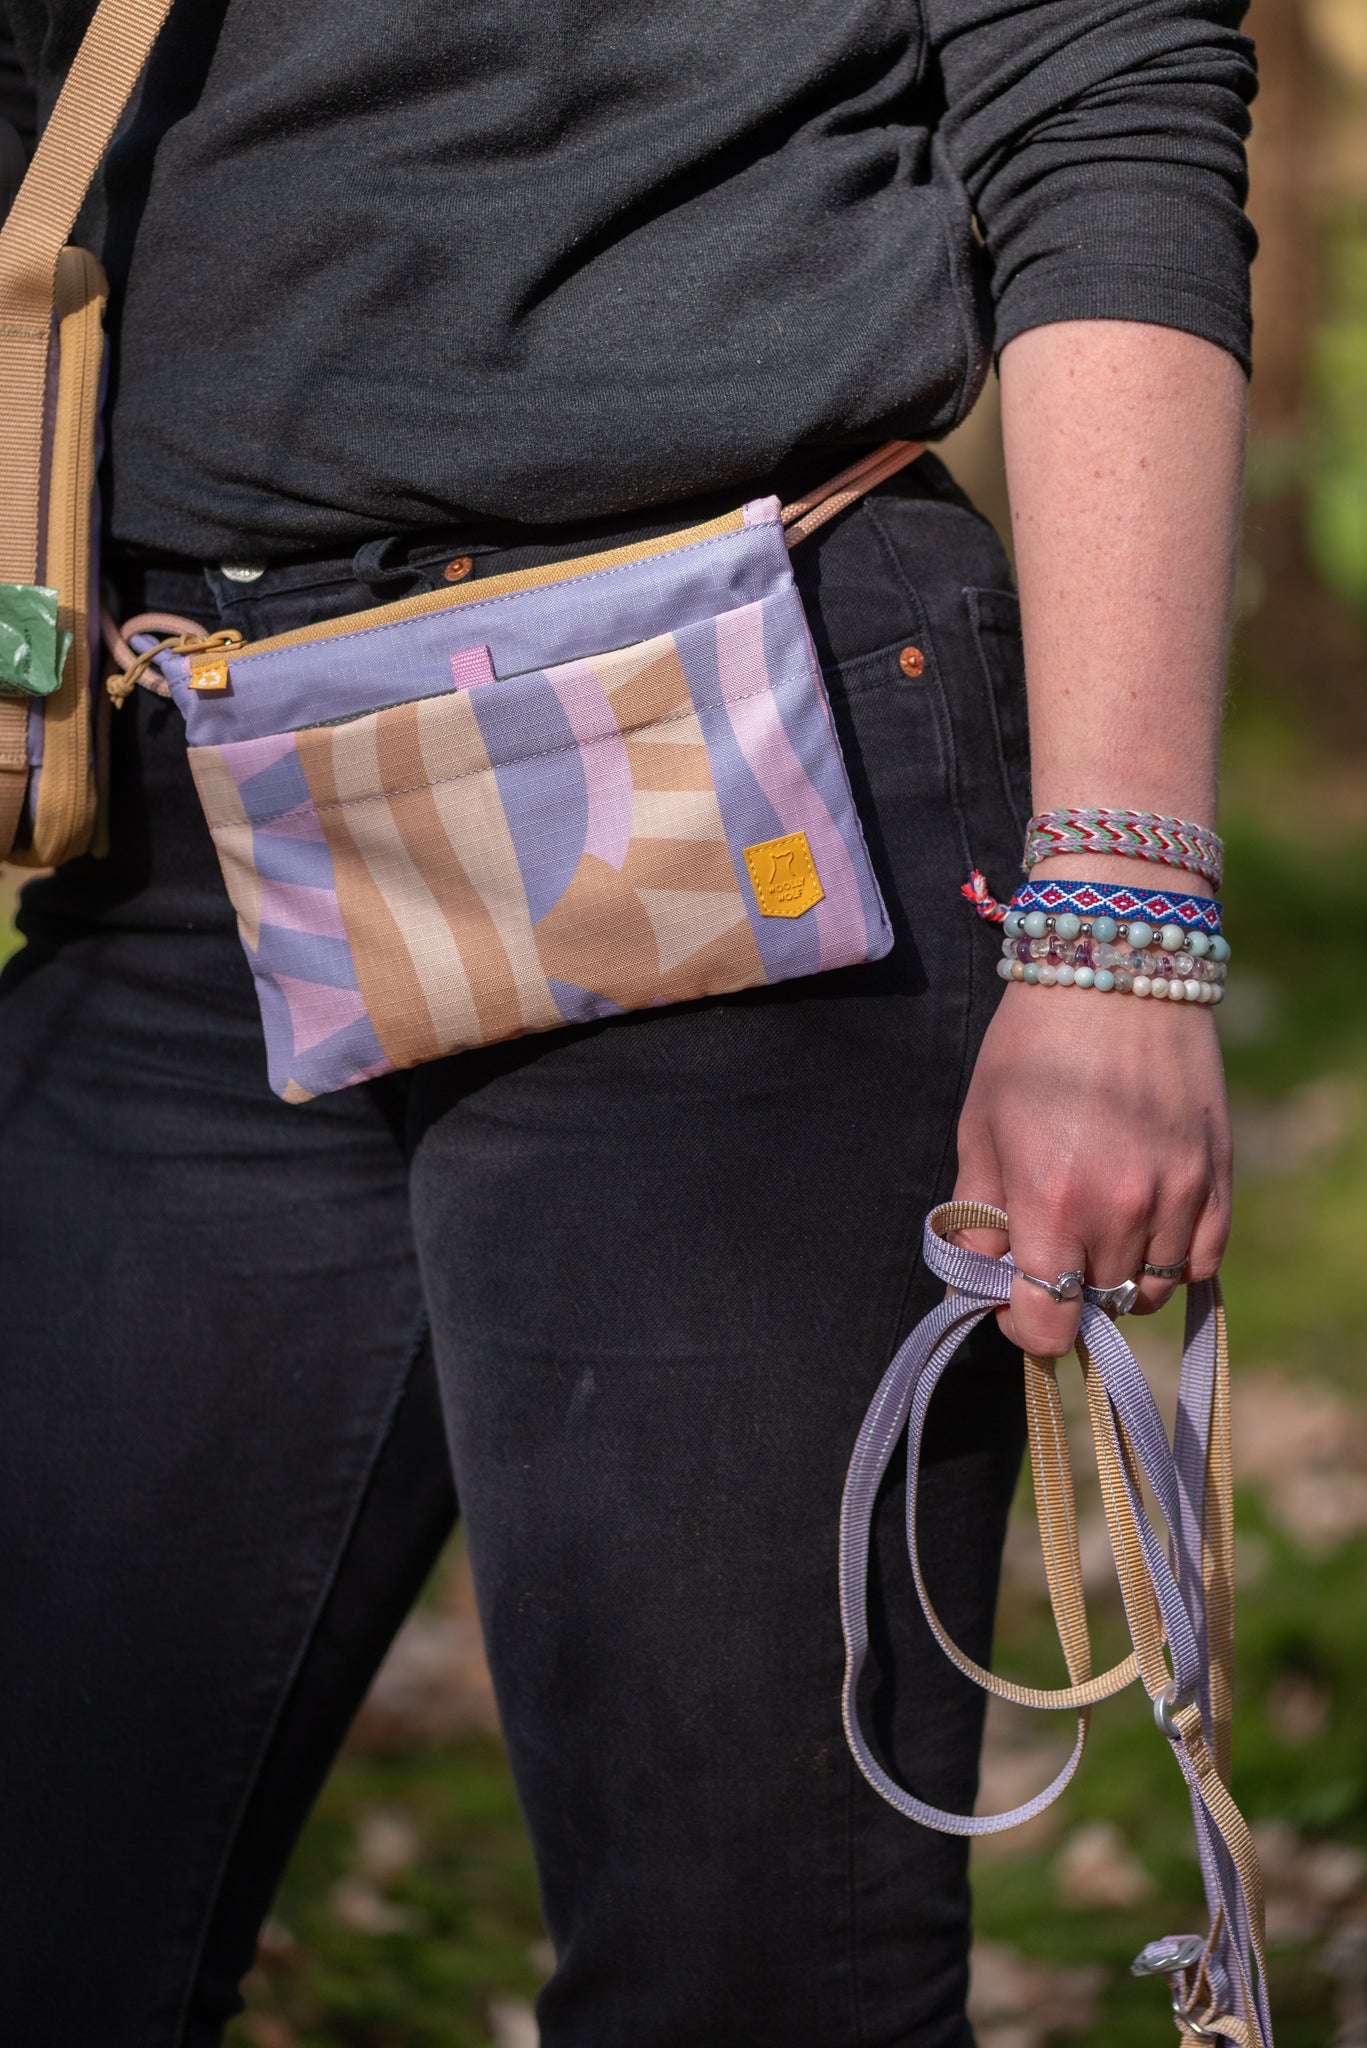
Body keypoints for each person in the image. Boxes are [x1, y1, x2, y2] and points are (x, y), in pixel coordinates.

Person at [0, 1, 1255, 2042]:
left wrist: (1119, 909)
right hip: (185, 759)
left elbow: (1102, 85)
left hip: (741, 727)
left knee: (744, 1975)